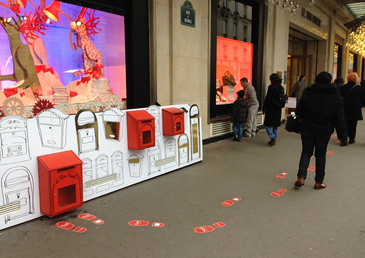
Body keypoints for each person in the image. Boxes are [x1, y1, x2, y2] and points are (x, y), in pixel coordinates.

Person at [294, 71, 347, 190]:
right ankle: (318, 181)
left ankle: (301, 177)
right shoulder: (335, 96)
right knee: (321, 155)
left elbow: (299, 111)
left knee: (306, 152)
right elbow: (339, 117)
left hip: (308, 127)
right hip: (324, 129)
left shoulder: (308, 92)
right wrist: (342, 135)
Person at [339, 72, 365, 144]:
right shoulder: (359, 88)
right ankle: (351, 138)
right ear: (356, 79)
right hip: (355, 109)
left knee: (345, 123)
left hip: (345, 108)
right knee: (353, 124)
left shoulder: (342, 87)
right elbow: (363, 98)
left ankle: (344, 138)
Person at [263, 73, 285, 146]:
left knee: (267, 124)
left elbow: (268, 98)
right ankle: (274, 140)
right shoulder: (281, 88)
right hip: (278, 109)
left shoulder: (271, 87)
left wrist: (264, 107)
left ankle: (273, 137)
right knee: (275, 125)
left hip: (271, 108)